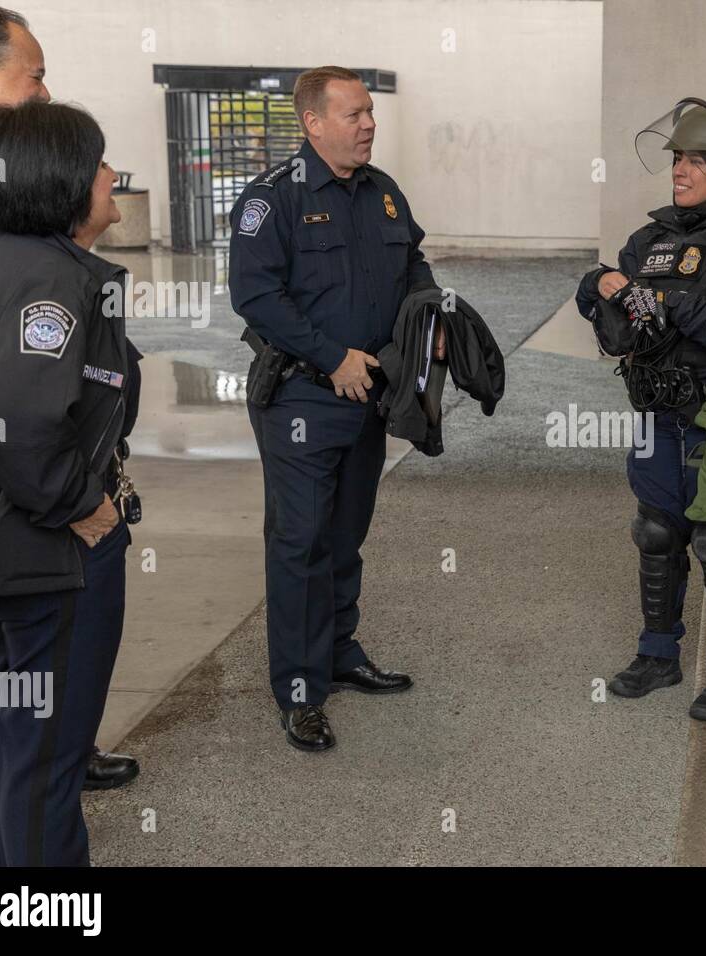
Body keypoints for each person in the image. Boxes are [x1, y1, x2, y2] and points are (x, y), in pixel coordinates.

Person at [0, 2, 136, 855]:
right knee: (44, 757)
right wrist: (84, 507)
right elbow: (16, 423)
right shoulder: (47, 286)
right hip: (42, 556)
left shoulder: (10, 262)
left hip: (7, 552)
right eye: (104, 170)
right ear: (68, 185)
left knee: (26, 749)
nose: (115, 183)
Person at [229, 66, 438, 752]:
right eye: (352, 115)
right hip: (303, 399)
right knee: (300, 545)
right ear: (313, 122)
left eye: (369, 113)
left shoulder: (383, 194)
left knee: (345, 536)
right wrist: (333, 357)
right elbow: (257, 297)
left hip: (369, 400)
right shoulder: (272, 200)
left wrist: (424, 327)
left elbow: (415, 268)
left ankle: (339, 655)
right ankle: (298, 691)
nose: (368, 124)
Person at [576, 99, 706, 721]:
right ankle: (657, 655)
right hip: (656, 412)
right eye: (677, 158)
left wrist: (670, 303)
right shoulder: (652, 239)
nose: (680, 170)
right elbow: (614, 306)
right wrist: (598, 287)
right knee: (656, 532)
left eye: (696, 160)